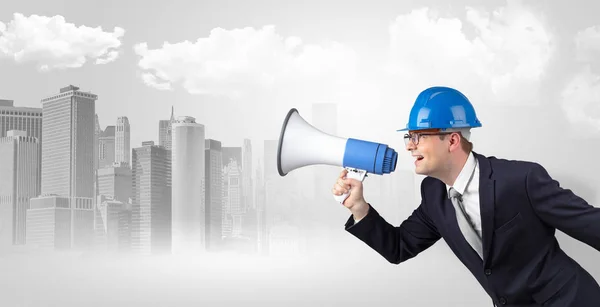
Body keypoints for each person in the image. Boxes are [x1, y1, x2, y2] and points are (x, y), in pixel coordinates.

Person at [332, 86, 600, 306]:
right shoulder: (434, 194)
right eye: (409, 137)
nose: (410, 146)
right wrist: (359, 208)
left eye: (419, 136)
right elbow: (399, 247)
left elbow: (591, 225)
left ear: (452, 141)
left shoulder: (521, 179)